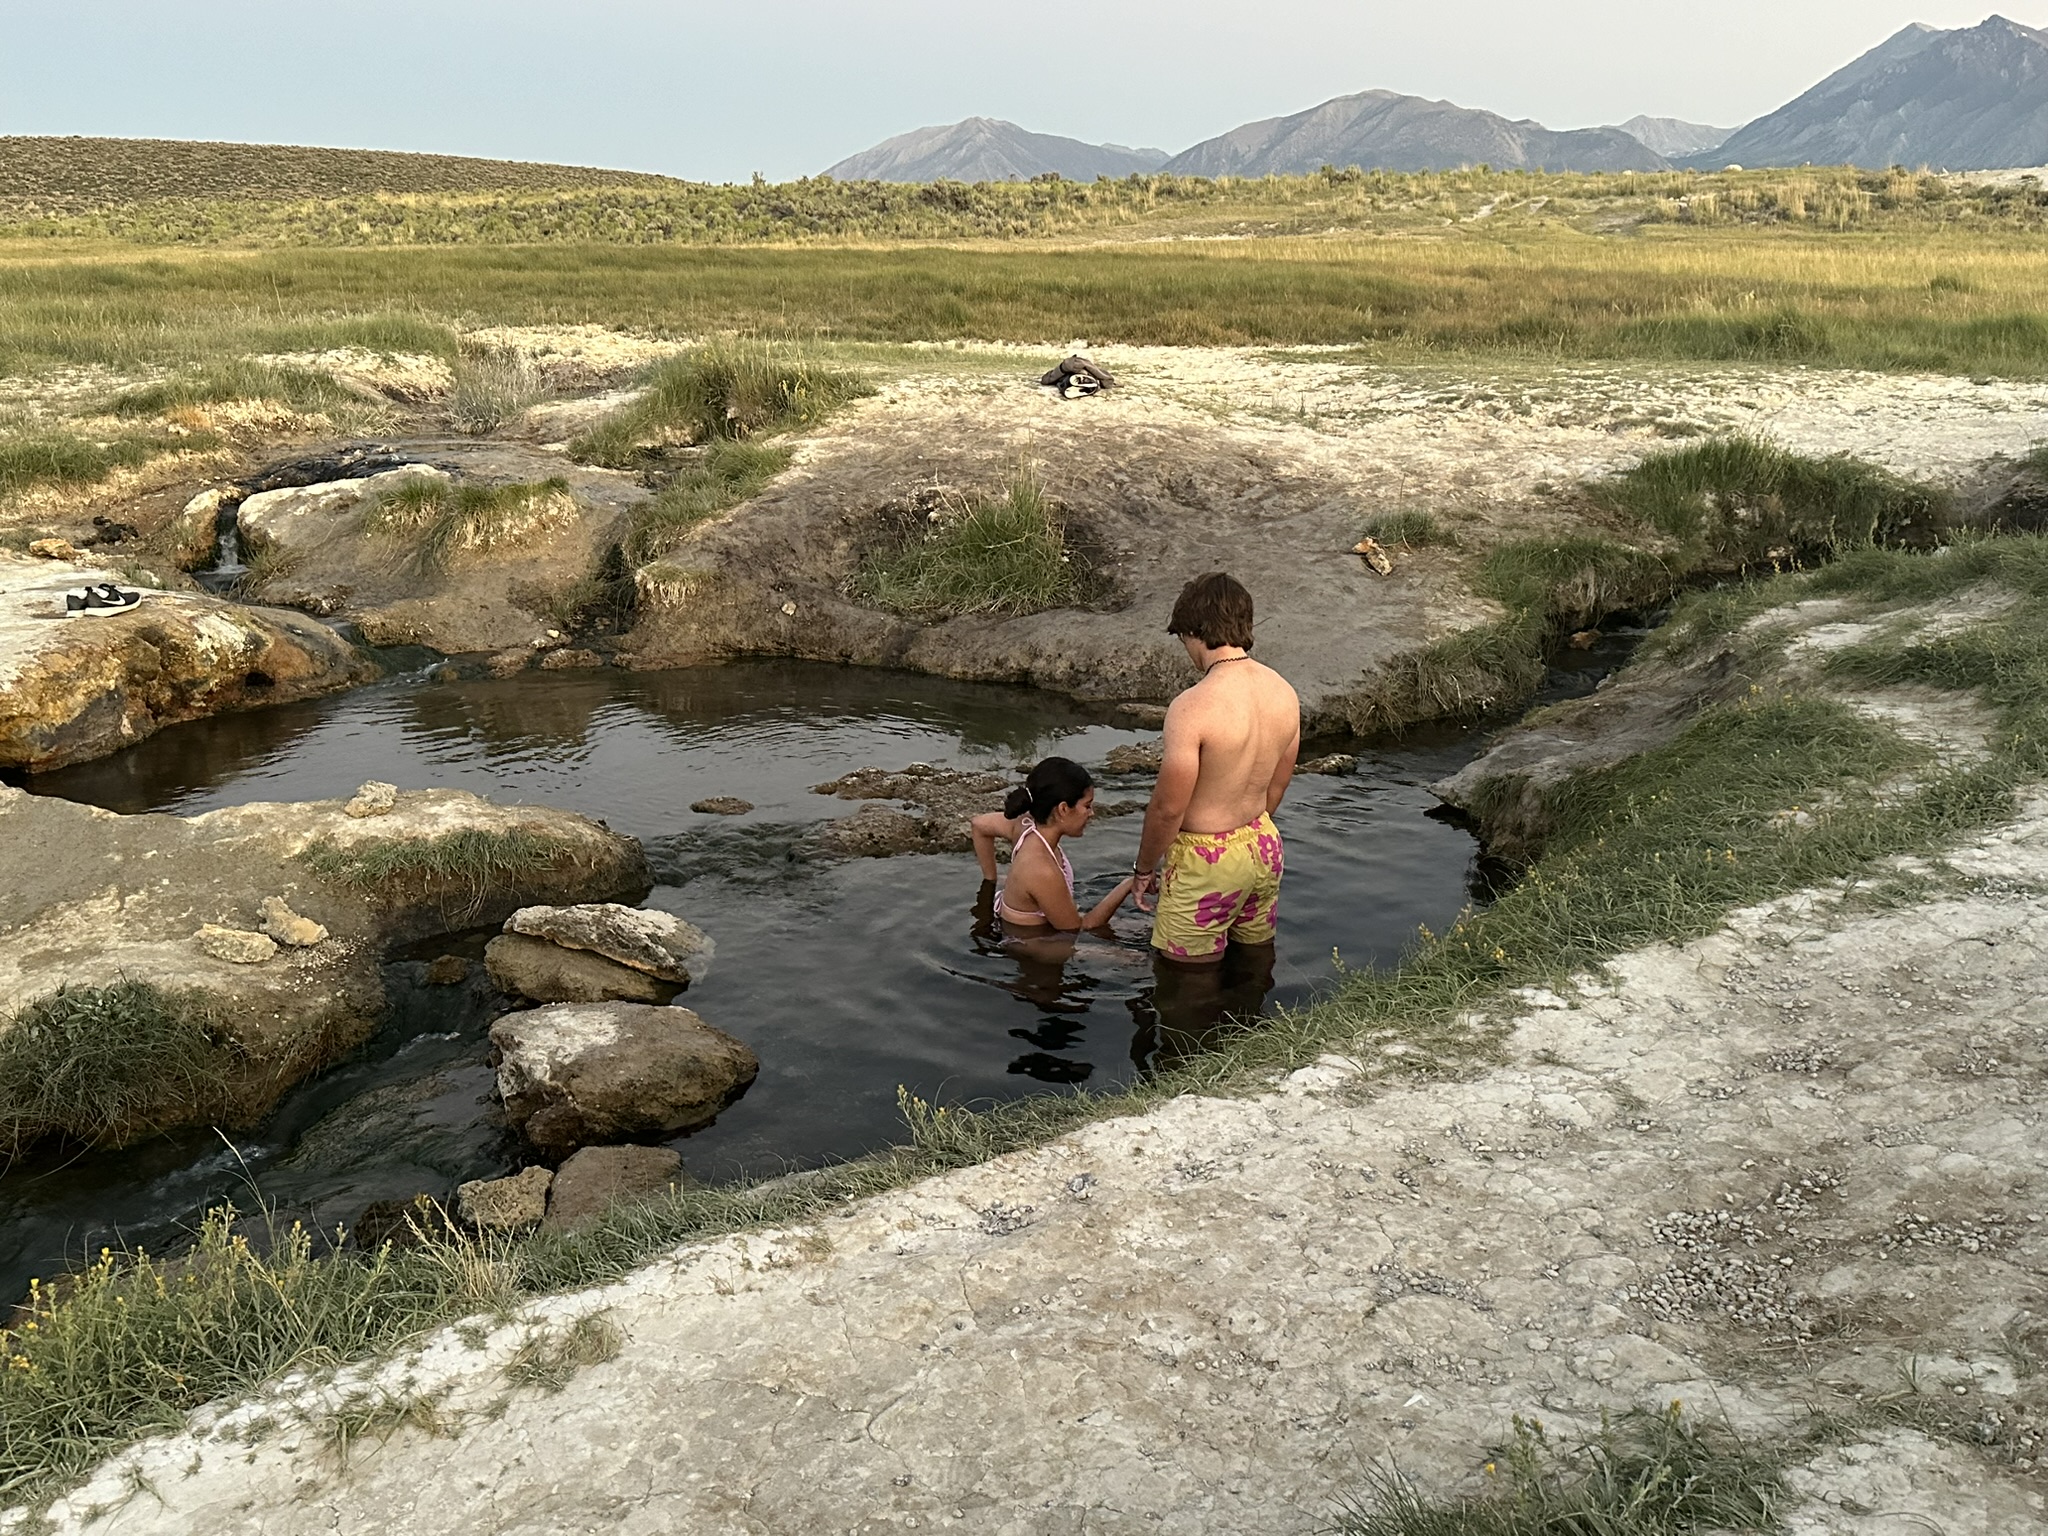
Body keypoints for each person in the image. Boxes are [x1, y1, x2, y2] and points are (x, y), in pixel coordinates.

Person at [1132, 572, 1301, 965]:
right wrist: (1244, 839)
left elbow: (1168, 808)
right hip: (1263, 845)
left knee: (1186, 981)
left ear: (1195, 631)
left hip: (1206, 860)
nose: (1187, 650)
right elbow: (1278, 785)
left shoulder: (1192, 707)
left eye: (1183, 640)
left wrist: (1143, 868)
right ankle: (1259, 1023)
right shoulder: (1283, 690)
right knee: (1255, 958)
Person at [971, 757, 1134, 934]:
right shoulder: (1042, 869)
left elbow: (979, 825)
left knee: (1136, 925)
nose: (1092, 813)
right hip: (1034, 943)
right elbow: (1079, 928)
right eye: (1087, 805)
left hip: (1041, 923)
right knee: (1132, 958)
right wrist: (1127, 884)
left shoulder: (1025, 825)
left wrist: (990, 880)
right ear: (1063, 809)